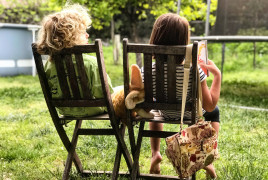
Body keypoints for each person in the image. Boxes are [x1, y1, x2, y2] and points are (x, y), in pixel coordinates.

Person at [146, 13, 221, 178]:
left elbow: (145, 99)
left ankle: (155, 153)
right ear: (184, 41)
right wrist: (217, 76)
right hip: (188, 115)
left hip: (162, 112)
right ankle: (207, 158)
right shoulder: (195, 70)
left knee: (154, 110)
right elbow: (208, 105)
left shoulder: (147, 69)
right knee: (214, 111)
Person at [36, 4, 113, 117]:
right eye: (83, 32)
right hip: (93, 109)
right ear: (70, 37)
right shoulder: (91, 63)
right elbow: (104, 93)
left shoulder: (49, 64)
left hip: (65, 110)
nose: (87, 35)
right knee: (120, 91)